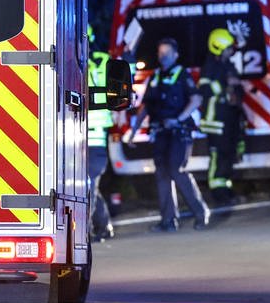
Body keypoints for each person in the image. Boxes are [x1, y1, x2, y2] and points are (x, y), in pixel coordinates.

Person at [126, 37, 210, 232]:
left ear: (175, 55)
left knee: (176, 170)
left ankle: (200, 213)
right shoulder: (154, 77)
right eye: (160, 53)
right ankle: (168, 221)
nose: (162, 56)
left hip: (179, 132)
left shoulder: (182, 74)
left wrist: (179, 119)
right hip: (160, 132)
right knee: (162, 175)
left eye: (166, 53)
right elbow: (146, 107)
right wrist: (133, 131)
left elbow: (196, 99)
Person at [197, 28, 243, 207]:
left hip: (229, 118)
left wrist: (235, 90)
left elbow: (237, 88)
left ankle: (225, 186)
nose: (231, 51)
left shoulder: (228, 66)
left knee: (229, 154)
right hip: (215, 120)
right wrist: (225, 89)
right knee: (218, 156)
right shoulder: (210, 67)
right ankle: (217, 191)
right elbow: (205, 89)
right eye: (228, 48)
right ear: (218, 47)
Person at [86, 46, 115, 241]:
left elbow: (125, 76)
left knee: (88, 187)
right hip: (74, 140)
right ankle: (104, 226)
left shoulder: (101, 63)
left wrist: (128, 56)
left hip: (94, 139)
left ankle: (84, 232)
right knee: (89, 187)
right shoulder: (70, 63)